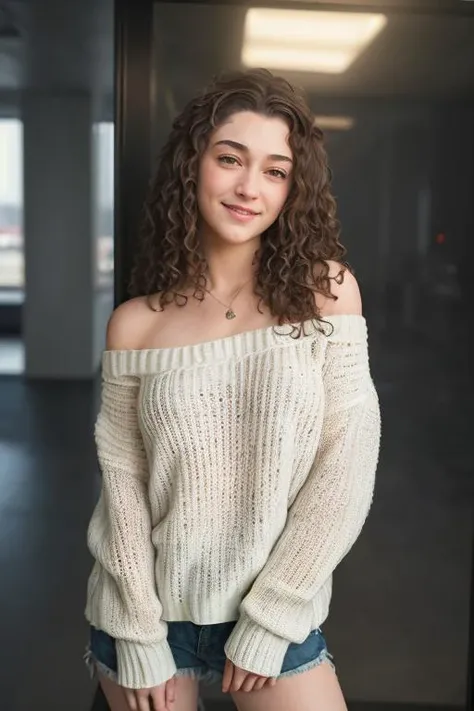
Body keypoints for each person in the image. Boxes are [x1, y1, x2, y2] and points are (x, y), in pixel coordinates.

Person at [83, 68, 381, 711]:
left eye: (275, 170)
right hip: (148, 617)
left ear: (292, 189)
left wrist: (274, 615)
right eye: (229, 159)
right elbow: (124, 492)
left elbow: (346, 467)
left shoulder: (327, 294)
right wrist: (136, 632)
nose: (250, 187)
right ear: (193, 168)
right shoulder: (136, 324)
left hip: (272, 605)